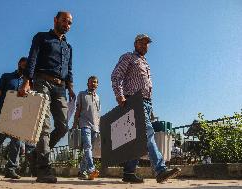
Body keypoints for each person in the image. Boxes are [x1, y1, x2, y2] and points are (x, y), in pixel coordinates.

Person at [111, 34, 181, 183]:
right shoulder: (128, 57)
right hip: (134, 100)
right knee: (148, 132)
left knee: (138, 140)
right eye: (141, 43)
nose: (144, 46)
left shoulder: (145, 63)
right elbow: (116, 76)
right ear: (135, 44)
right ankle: (160, 170)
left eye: (146, 44)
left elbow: (146, 87)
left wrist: (151, 108)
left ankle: (129, 172)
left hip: (147, 103)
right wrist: (119, 96)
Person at [19, 11, 75, 183]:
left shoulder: (68, 47)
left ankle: (35, 154)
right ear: (55, 20)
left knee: (63, 126)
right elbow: (32, 59)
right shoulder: (41, 37)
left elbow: (70, 70)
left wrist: (70, 88)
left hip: (61, 88)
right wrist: (27, 81)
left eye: (70, 23)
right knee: (44, 125)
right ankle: (43, 168)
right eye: (64, 20)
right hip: (42, 81)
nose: (67, 24)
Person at [72, 76, 101, 180]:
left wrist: (99, 126)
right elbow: (78, 109)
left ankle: (81, 171)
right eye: (92, 82)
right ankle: (91, 169)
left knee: (89, 150)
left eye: (95, 82)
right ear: (87, 83)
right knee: (87, 146)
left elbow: (98, 114)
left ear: (97, 84)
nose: (94, 84)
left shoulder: (98, 97)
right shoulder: (81, 94)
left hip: (95, 127)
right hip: (84, 124)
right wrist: (75, 124)